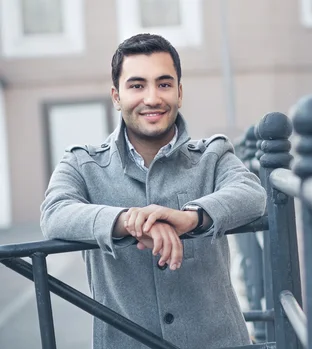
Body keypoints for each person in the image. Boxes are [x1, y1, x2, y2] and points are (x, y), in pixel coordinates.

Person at [40, 33, 266, 349]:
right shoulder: (81, 163)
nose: (152, 98)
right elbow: (55, 212)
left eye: (163, 84)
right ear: (116, 96)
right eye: (136, 85)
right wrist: (128, 221)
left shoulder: (212, 155)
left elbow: (252, 193)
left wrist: (191, 217)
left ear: (179, 92)